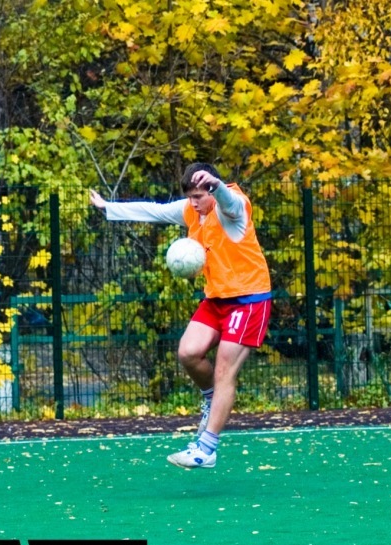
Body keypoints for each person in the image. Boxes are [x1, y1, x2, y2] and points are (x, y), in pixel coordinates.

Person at [90, 162, 271, 469]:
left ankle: (207, 449)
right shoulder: (191, 209)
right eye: (190, 196)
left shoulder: (233, 208)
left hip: (249, 299)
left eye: (199, 195)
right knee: (188, 353)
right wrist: (109, 207)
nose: (194, 202)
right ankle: (211, 398)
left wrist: (216, 185)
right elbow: (155, 211)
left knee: (224, 370)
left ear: (211, 190)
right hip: (217, 298)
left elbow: (230, 201)